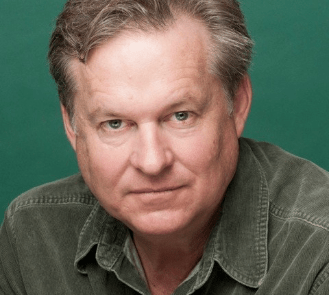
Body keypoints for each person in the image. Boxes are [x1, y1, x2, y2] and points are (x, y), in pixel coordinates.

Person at [1, 0, 329, 294]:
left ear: (238, 103)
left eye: (180, 116)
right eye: (114, 123)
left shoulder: (319, 257)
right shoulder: (31, 236)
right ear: (71, 124)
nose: (152, 161)